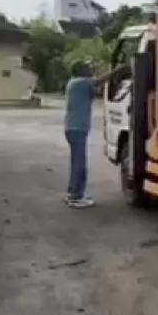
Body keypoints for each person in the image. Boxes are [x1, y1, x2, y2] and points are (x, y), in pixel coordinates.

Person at [63, 60, 128, 209]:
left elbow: (98, 89)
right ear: (80, 71)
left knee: (76, 163)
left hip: (74, 128)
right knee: (80, 164)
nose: (90, 69)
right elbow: (100, 80)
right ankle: (76, 197)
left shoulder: (75, 84)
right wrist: (118, 69)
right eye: (87, 67)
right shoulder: (80, 82)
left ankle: (72, 192)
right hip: (77, 128)